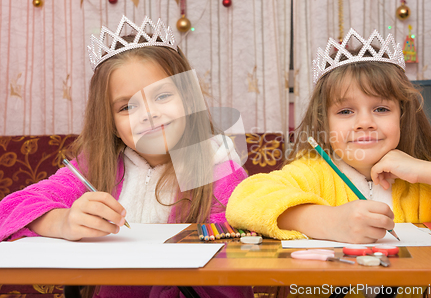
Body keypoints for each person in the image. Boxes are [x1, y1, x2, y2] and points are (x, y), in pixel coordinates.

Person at [0, 15, 253, 298]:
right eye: (126, 107)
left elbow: (233, 267)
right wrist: (64, 221)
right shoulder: (97, 166)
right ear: (112, 125)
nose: (149, 114)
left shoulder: (218, 166)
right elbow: (10, 209)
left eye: (162, 96)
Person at [227, 28, 431, 245]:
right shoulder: (311, 175)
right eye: (345, 111)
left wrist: (428, 171)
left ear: (402, 116)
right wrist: (328, 221)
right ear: (324, 122)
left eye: (381, 109)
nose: (365, 123)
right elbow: (243, 202)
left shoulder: (427, 183)